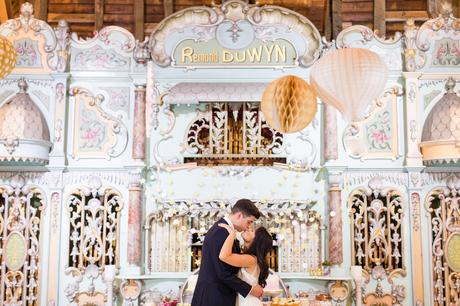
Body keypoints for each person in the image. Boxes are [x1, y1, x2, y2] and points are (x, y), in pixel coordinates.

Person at [191, 199, 264, 306]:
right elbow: (223, 273)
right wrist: (250, 289)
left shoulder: (225, 231)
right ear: (239, 215)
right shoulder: (221, 231)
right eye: (249, 221)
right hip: (213, 298)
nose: (248, 226)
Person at [218, 224, 273, 306]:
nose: (248, 228)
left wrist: (232, 234)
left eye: (252, 231)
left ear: (256, 241)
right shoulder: (251, 258)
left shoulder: (250, 259)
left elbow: (224, 256)